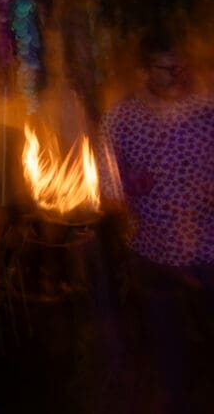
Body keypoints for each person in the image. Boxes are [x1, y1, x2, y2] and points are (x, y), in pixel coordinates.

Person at [99, 29, 214, 414]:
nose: (178, 75)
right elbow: (105, 186)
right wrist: (127, 187)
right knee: (168, 346)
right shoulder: (122, 120)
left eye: (182, 67)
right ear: (144, 71)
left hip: (209, 250)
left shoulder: (206, 111)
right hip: (153, 252)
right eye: (167, 68)